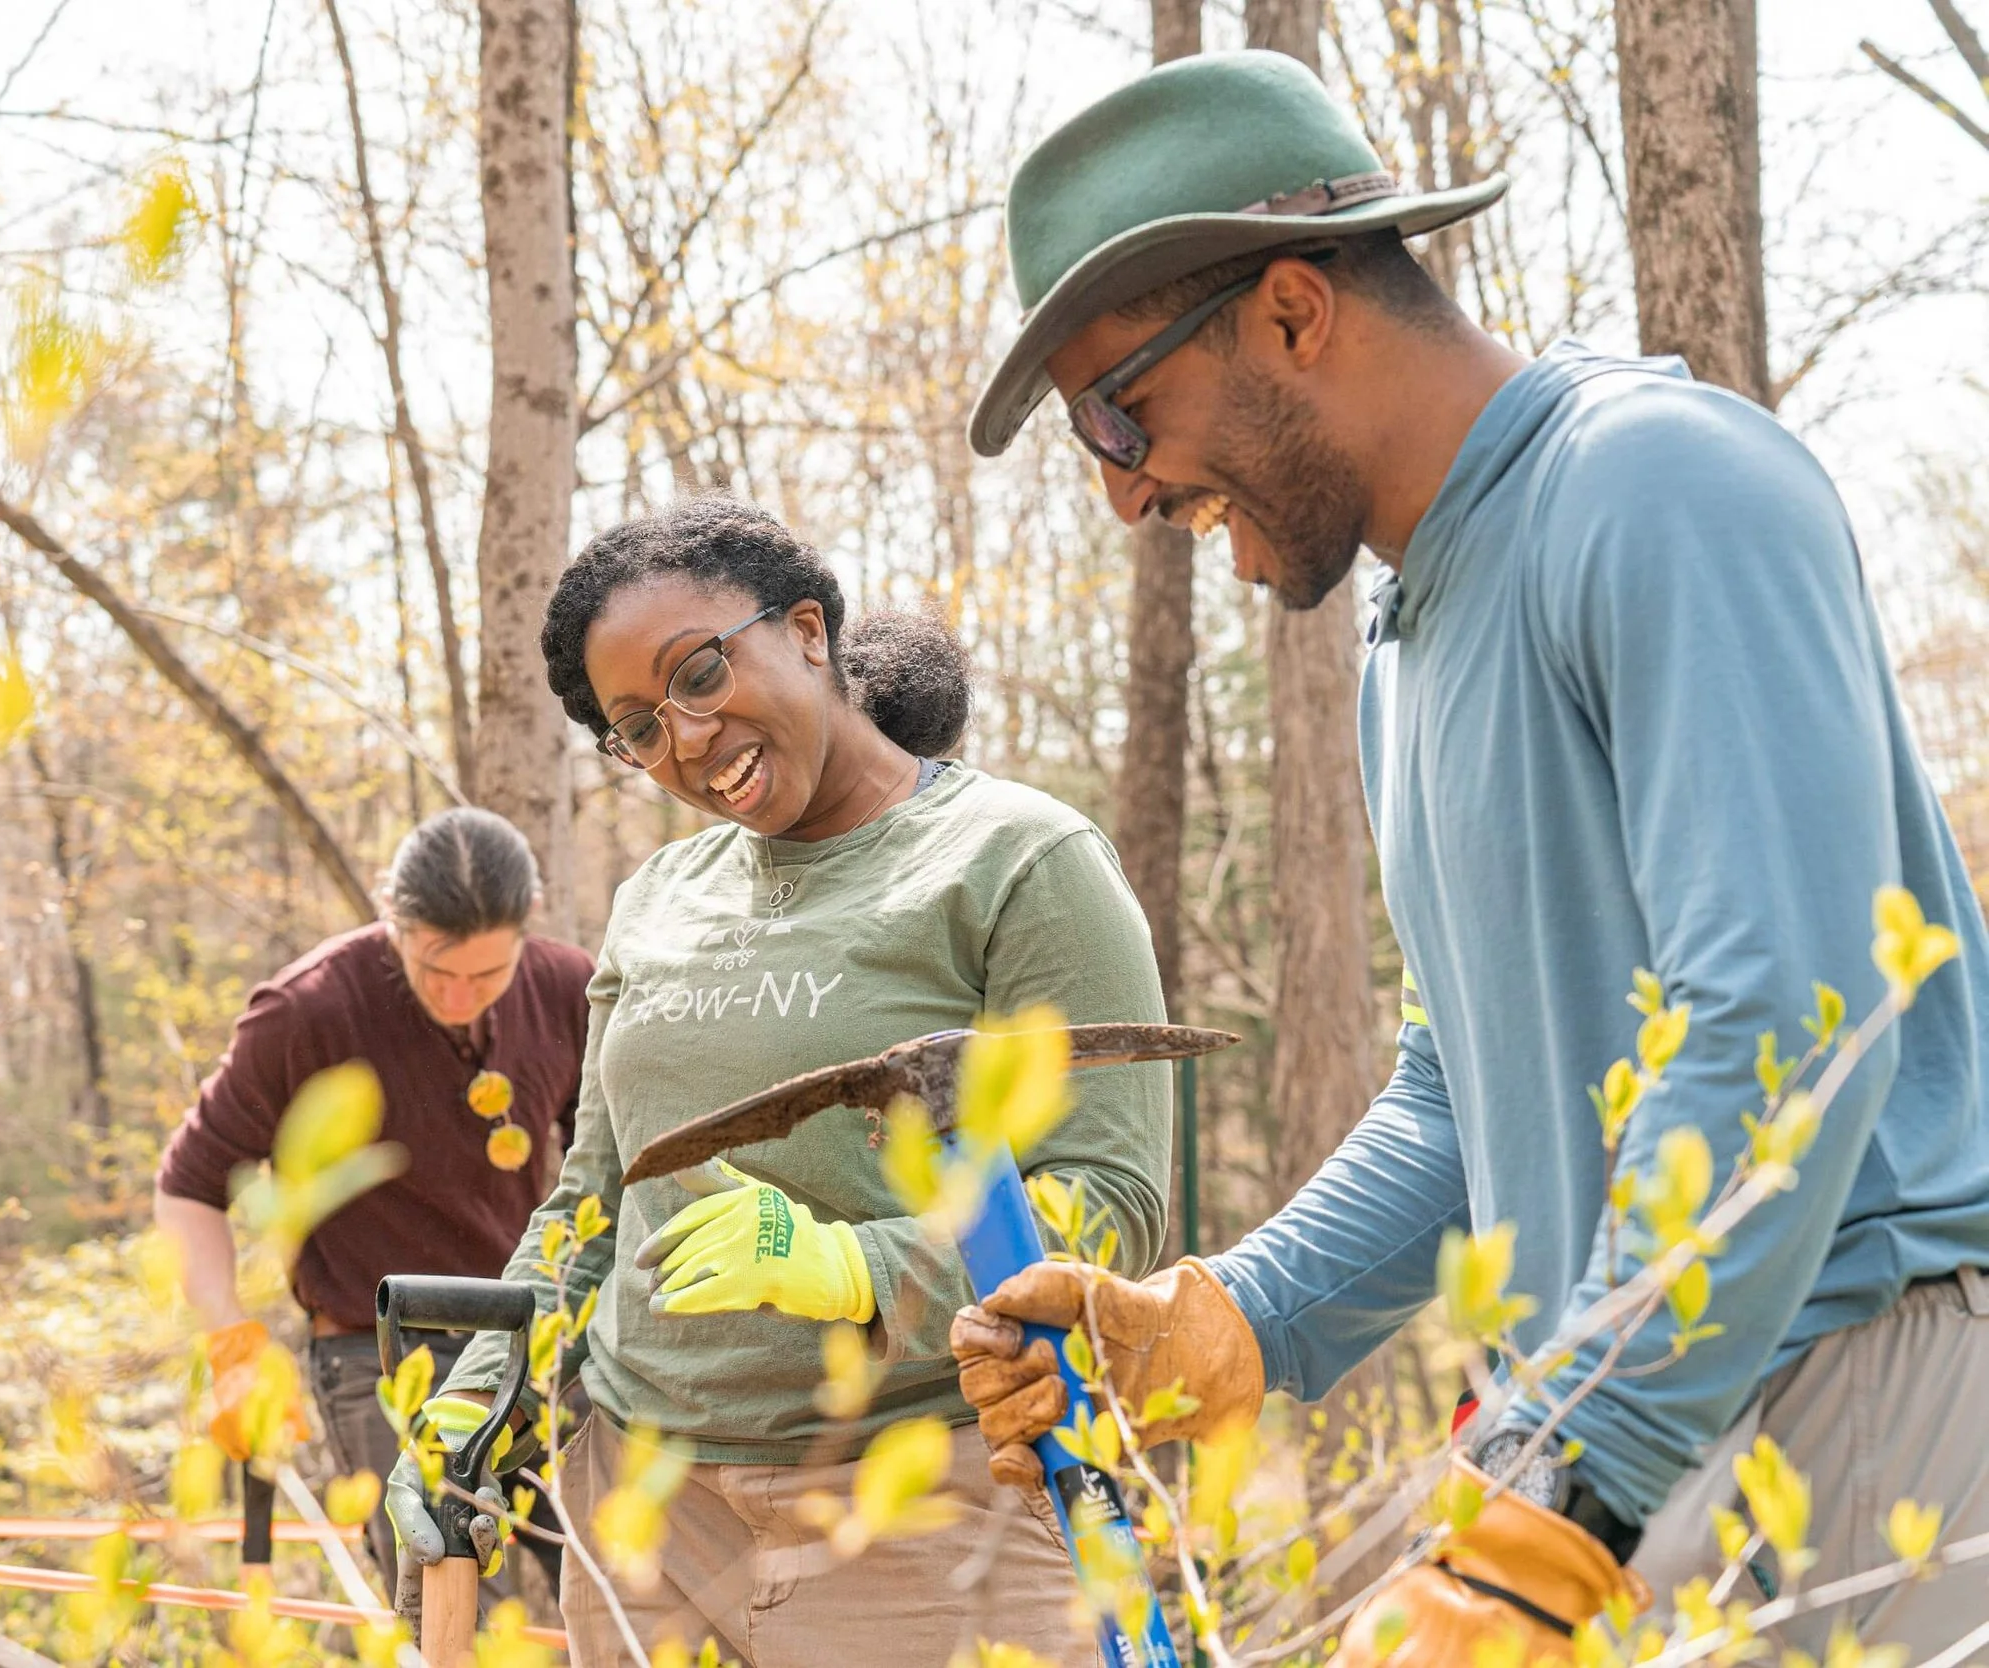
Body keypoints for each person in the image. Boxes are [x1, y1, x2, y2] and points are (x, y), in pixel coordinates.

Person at [951, 48, 1989, 1662]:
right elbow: (1465, 1087)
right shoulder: (1407, 644)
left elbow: (1781, 1012)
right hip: (1624, 1432)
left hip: (1848, 1383)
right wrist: (1242, 1314)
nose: (1124, 492)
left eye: (1119, 409)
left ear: (1296, 310)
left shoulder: (1654, 484)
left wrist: (1561, 1499)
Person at [385, 497, 1171, 1666]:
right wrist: (497, 1378)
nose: (685, 740)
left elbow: (1110, 1210)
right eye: (637, 728)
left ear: (806, 629)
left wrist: (849, 1267)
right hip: (642, 1511)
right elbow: (593, 1196)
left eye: (699, 674)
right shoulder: (658, 898)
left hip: (923, 1495)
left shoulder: (1018, 861)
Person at [154, 806, 595, 1597]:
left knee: (619, 1586)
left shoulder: (566, 989)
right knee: (453, 1610)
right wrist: (231, 1343)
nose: (461, 994)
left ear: (526, 934)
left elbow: (609, 1162)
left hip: (537, 1341)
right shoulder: (308, 1012)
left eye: (487, 975)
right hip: (382, 1356)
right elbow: (189, 1184)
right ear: (393, 925)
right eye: (436, 969)